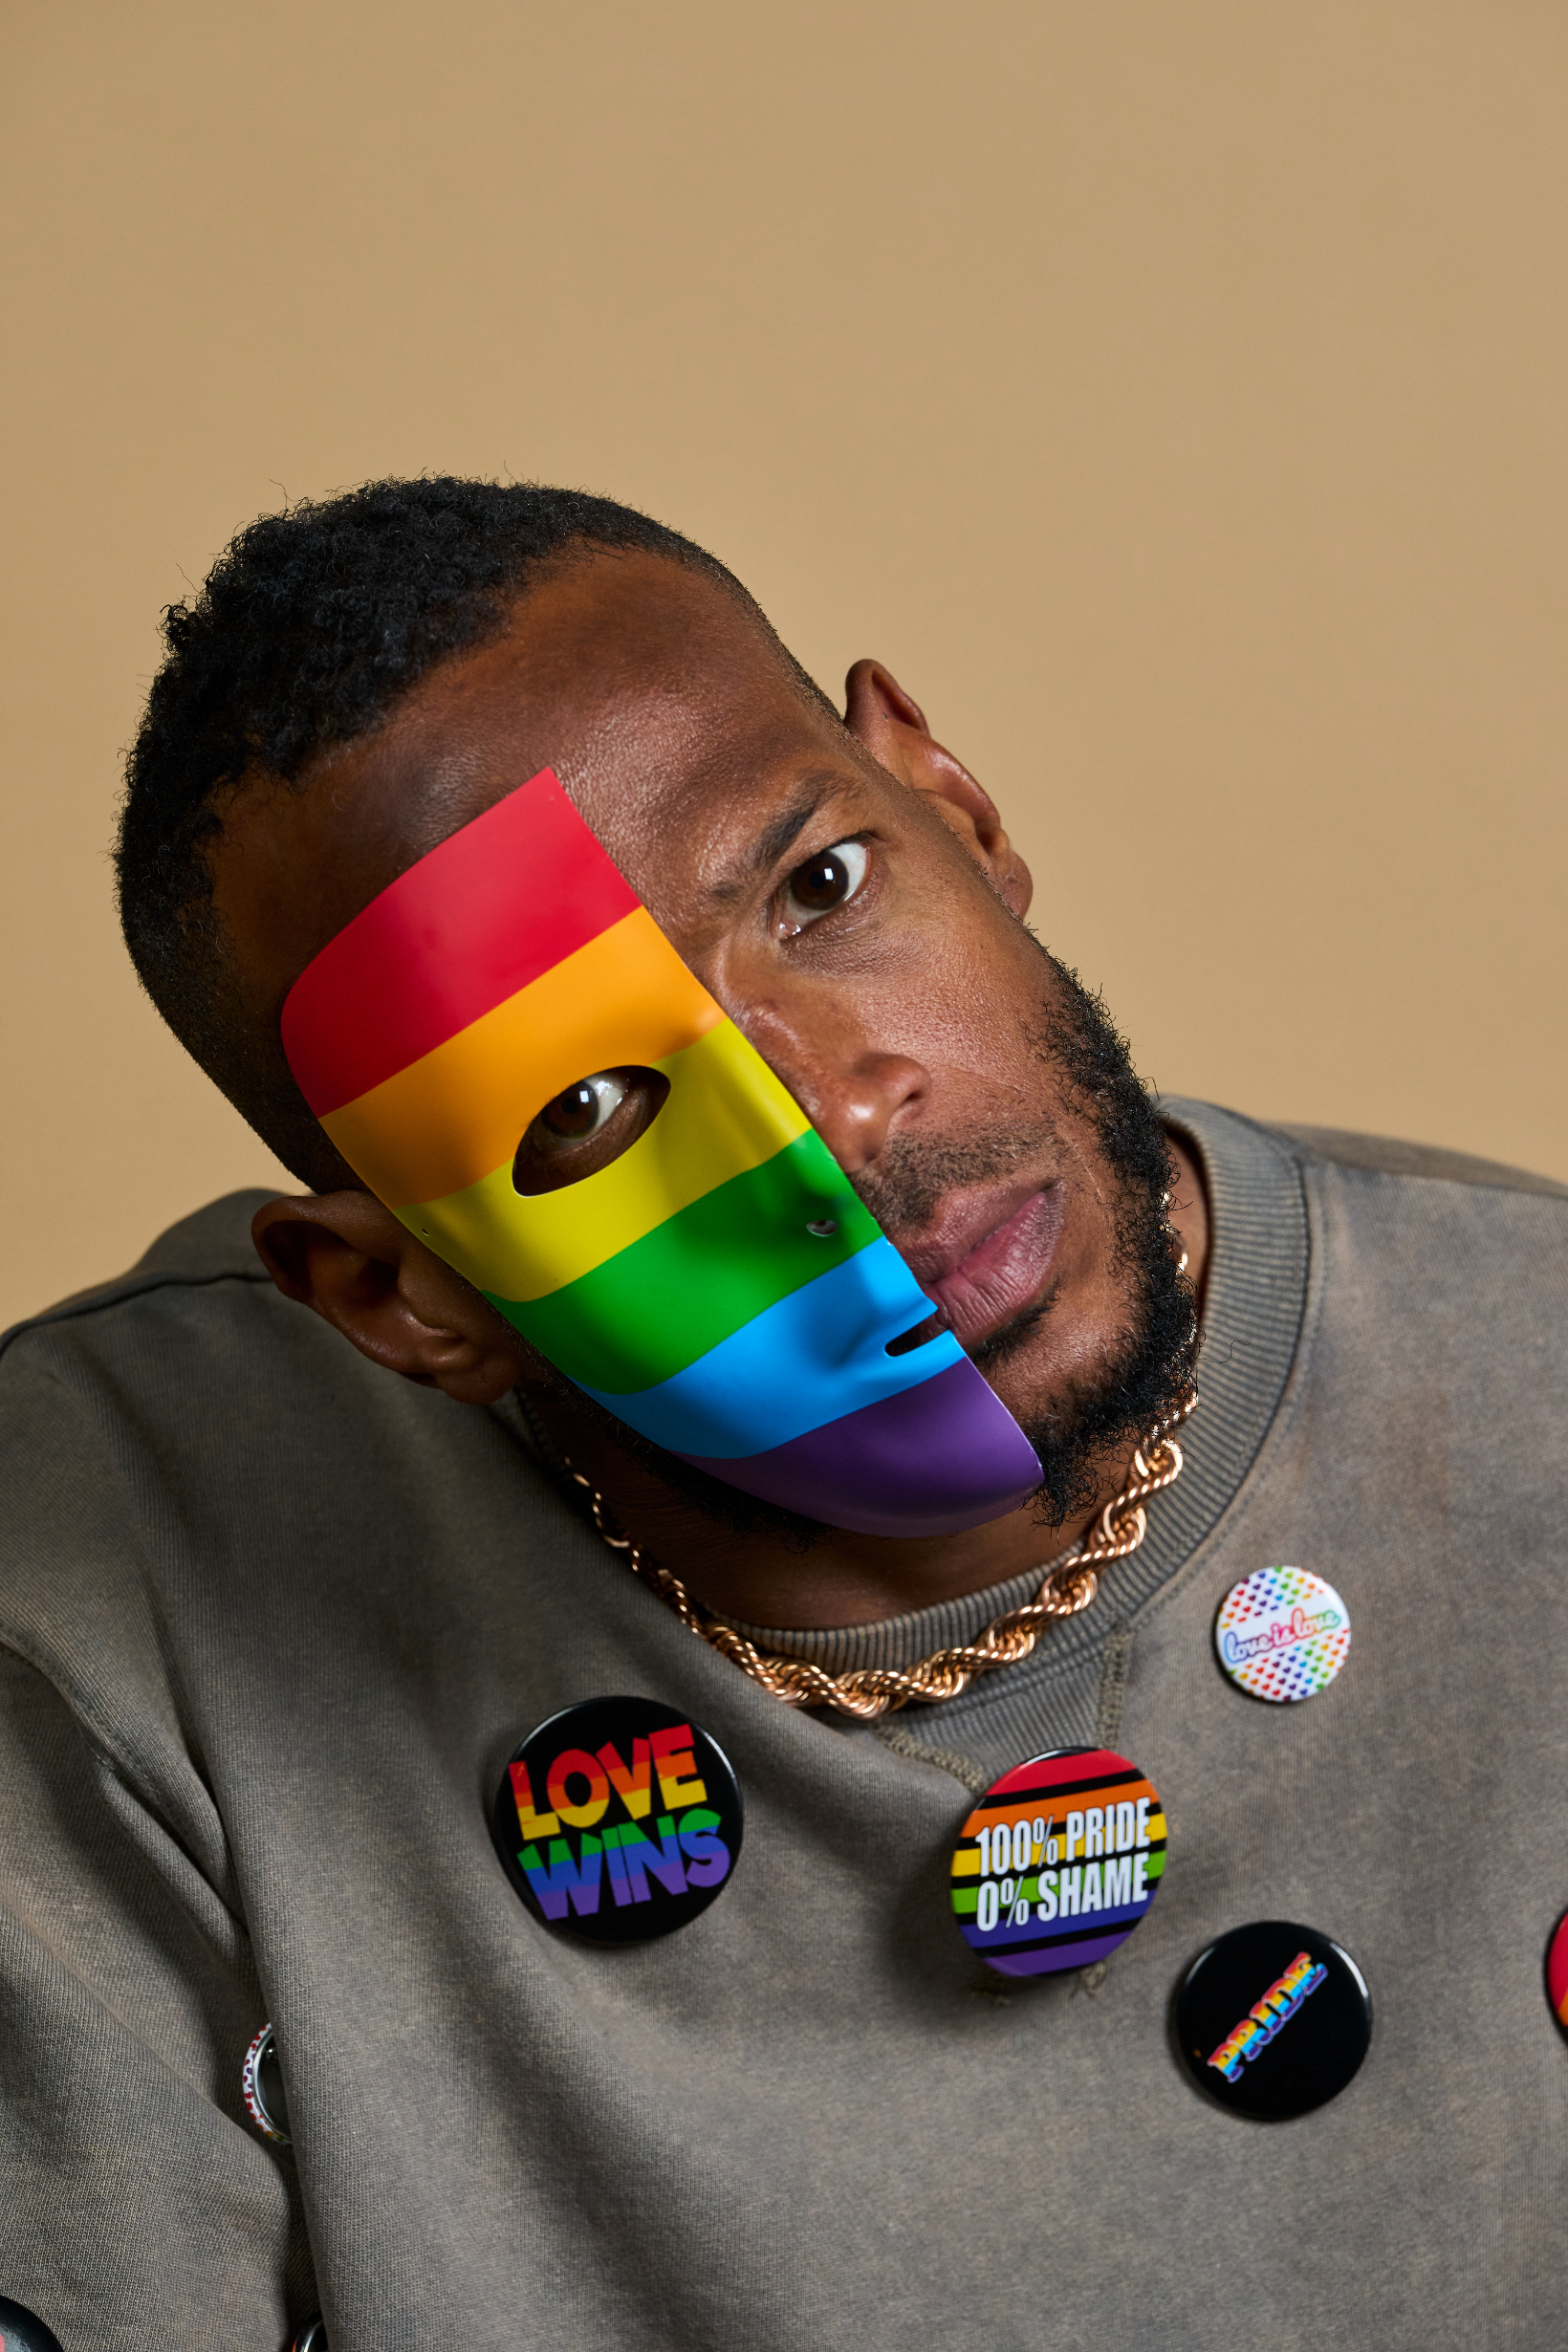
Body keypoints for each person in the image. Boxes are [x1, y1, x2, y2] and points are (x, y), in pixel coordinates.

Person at [2, 477, 1565, 2352]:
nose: (837, 1119)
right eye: (581, 1112)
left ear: (957, 806)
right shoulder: (102, 1574)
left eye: (819, 891)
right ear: (401, 1297)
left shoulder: (1528, 1377)